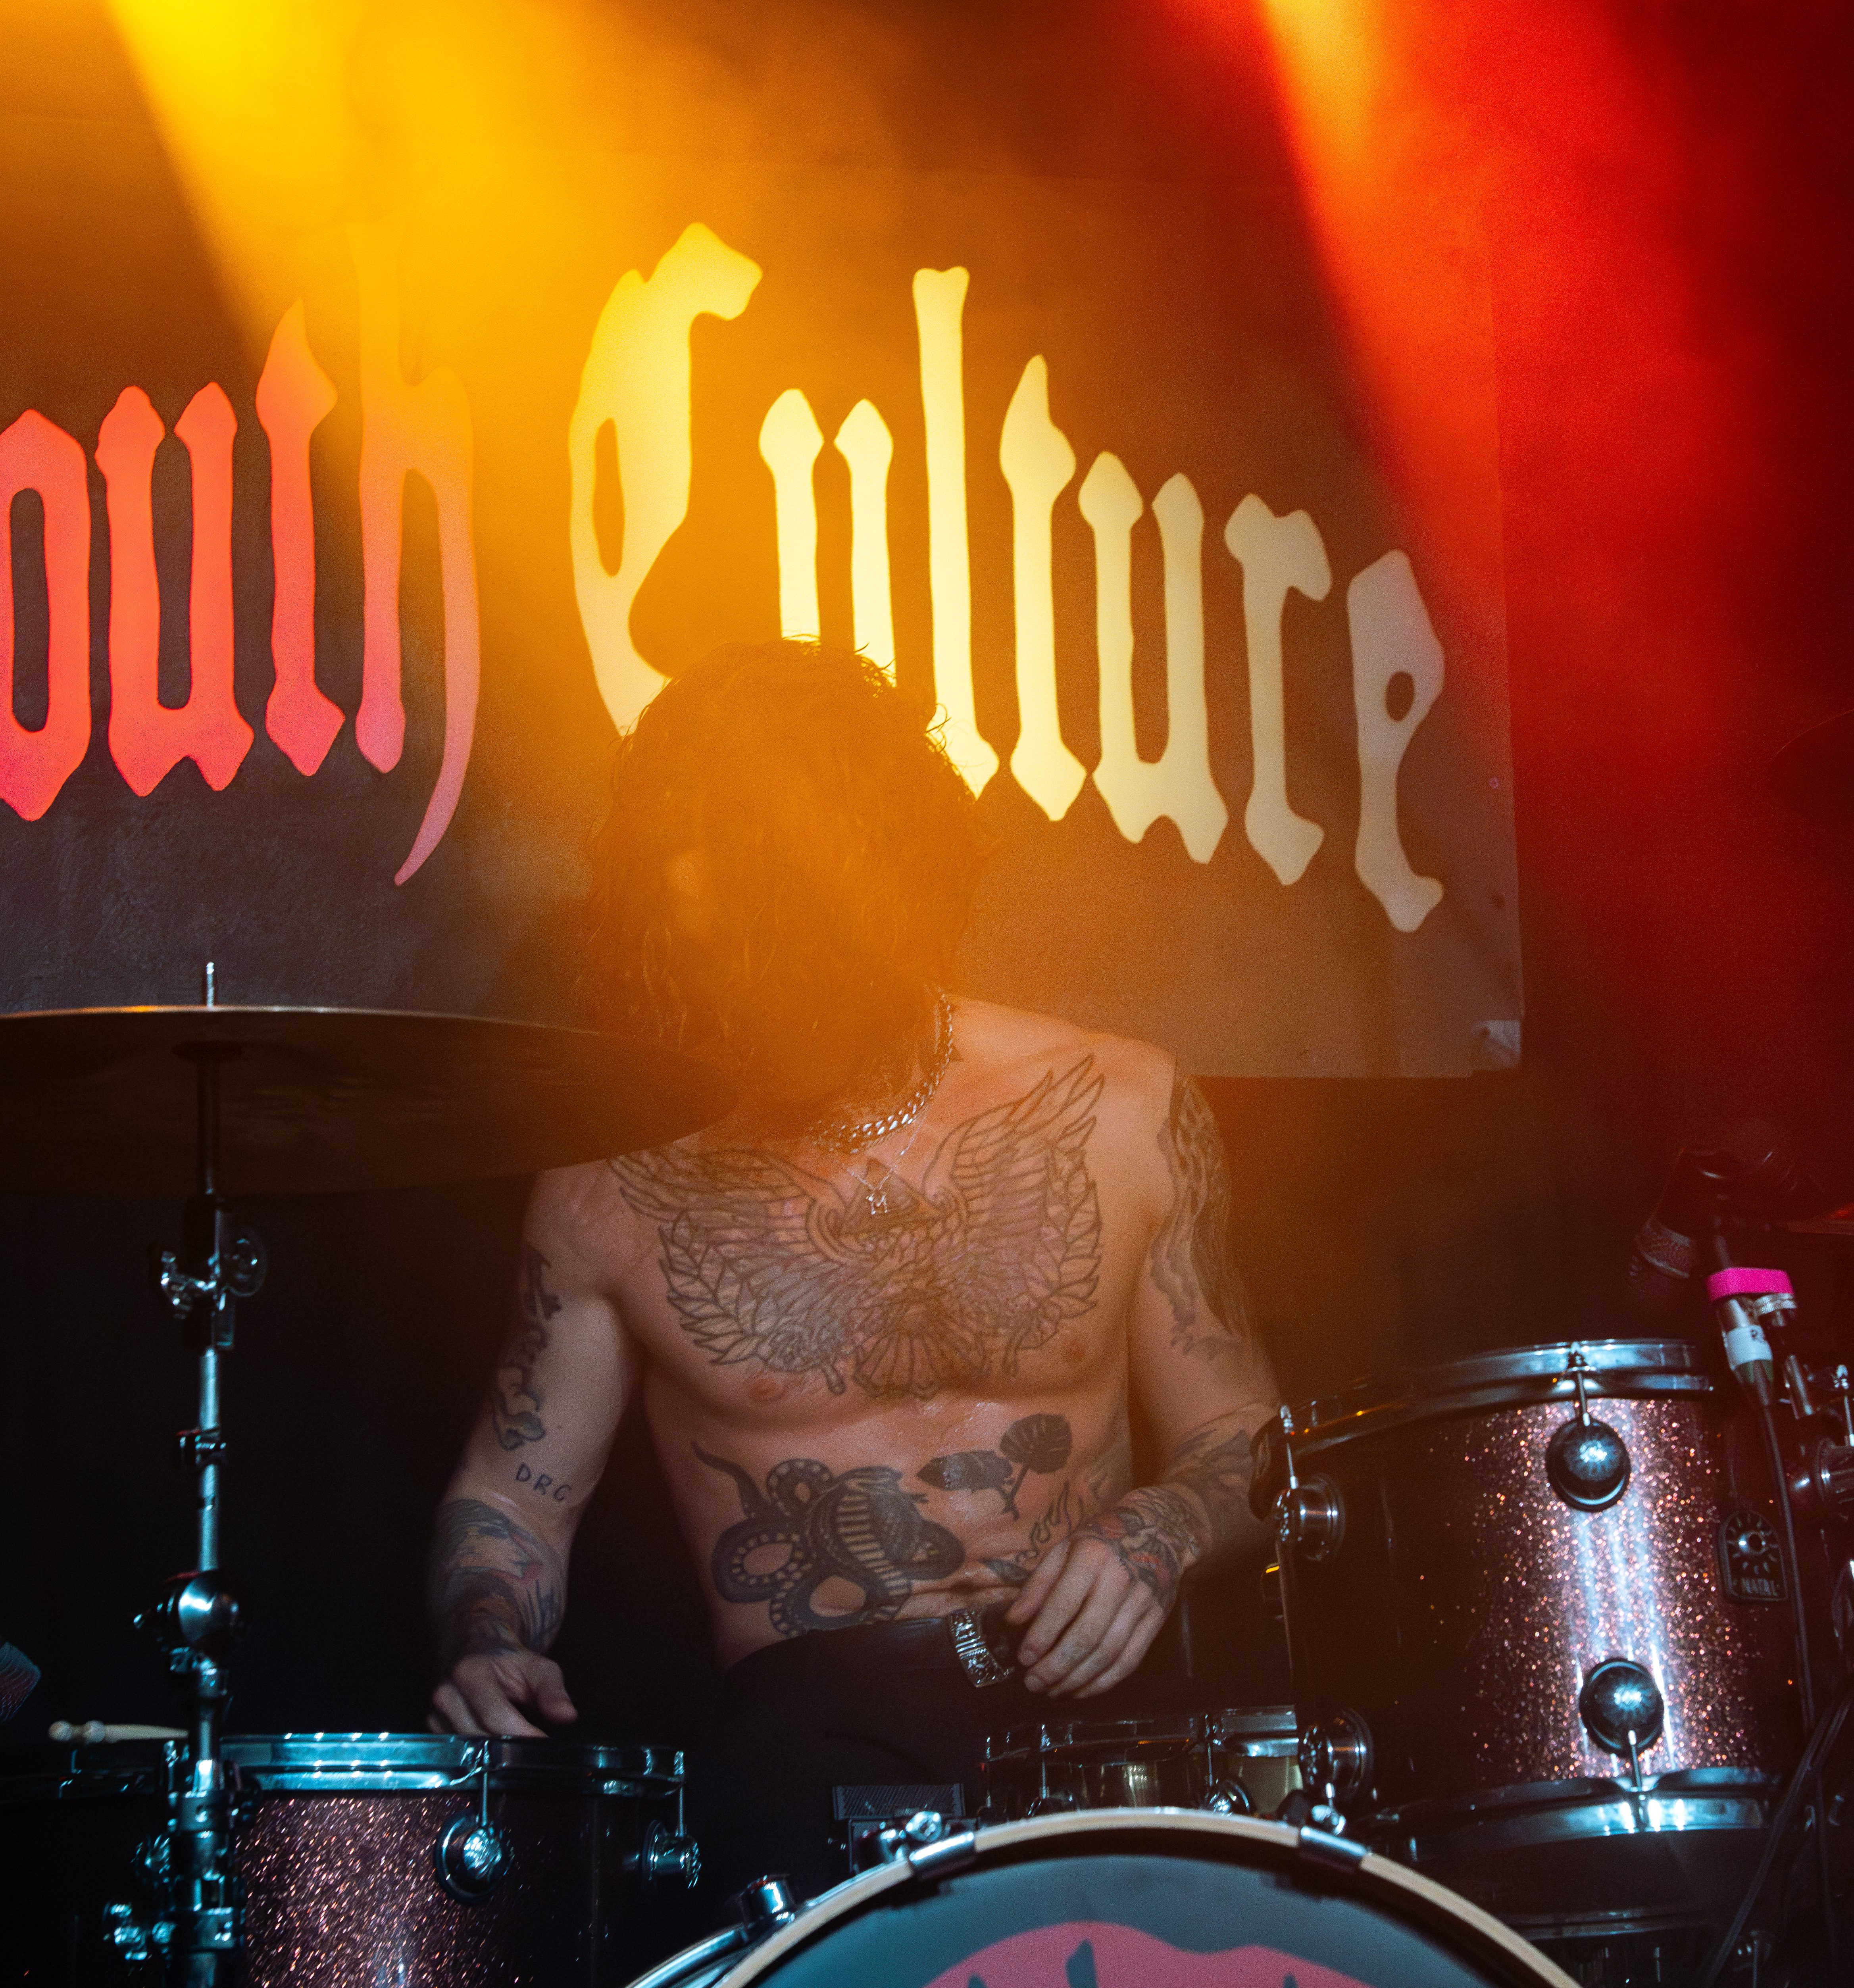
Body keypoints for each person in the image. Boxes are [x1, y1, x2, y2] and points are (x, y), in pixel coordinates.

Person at [427, 639, 1279, 1905]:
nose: (738, 982)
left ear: (879, 894)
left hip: (1111, 1731)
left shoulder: (1119, 1105)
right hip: (807, 1758)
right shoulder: (615, 1188)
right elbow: (512, 1500)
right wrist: (485, 1635)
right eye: (701, 939)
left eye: (777, 939)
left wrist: (1152, 1530)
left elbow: (1246, 1431)